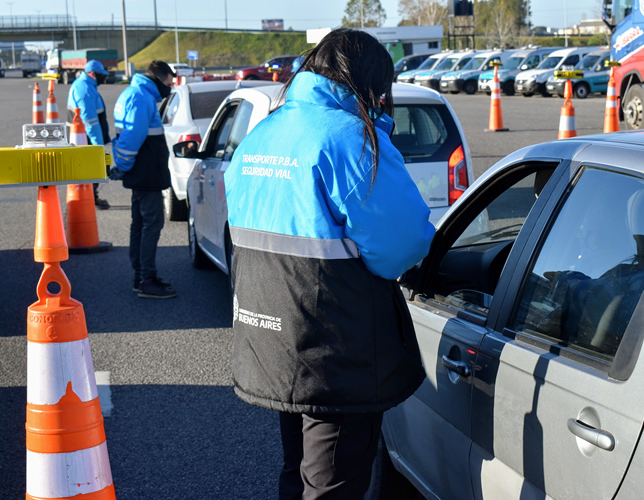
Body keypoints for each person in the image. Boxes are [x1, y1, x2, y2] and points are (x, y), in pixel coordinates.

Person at [223, 28, 435, 499]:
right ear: (370, 83)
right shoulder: (350, 139)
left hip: (271, 338)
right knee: (331, 484)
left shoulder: (263, 134)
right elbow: (404, 245)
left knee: (296, 472)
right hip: (334, 351)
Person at [109, 60, 177, 299]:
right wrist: (125, 165)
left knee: (140, 224)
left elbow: (124, 137)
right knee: (152, 225)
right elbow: (132, 138)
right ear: (159, 78)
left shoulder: (135, 93)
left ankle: (141, 276)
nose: (170, 87)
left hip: (141, 173)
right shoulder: (142, 98)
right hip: (145, 174)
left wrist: (124, 167)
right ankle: (146, 280)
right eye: (169, 82)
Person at [67, 59, 111, 209]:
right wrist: (98, 147)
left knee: (89, 169)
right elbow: (90, 122)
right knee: (92, 168)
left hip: (84, 137)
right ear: (93, 74)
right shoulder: (85, 89)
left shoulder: (86, 86)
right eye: (101, 75)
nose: (103, 78)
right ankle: (88, 198)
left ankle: (91, 196)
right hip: (86, 138)